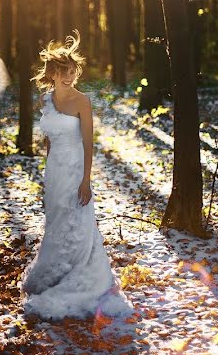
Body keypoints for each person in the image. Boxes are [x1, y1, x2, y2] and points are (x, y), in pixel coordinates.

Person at [19, 30, 133, 320]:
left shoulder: (82, 102)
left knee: (79, 223)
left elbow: (88, 143)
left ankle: (82, 275)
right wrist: (47, 170)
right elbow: (48, 139)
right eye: (63, 72)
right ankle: (55, 270)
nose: (69, 77)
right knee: (56, 223)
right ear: (53, 74)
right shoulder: (45, 100)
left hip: (75, 169)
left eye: (72, 72)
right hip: (54, 171)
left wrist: (85, 179)